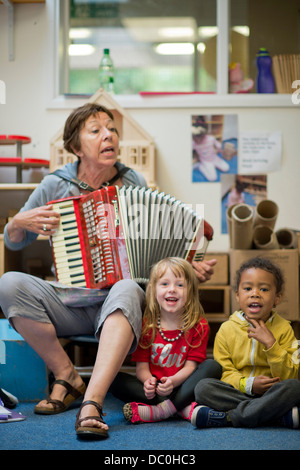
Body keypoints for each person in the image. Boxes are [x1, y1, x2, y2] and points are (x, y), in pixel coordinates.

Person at [0, 103, 216, 440]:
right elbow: (13, 243)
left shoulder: (133, 181)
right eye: (96, 129)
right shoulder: (55, 185)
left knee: (129, 286)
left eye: (112, 129)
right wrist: (17, 222)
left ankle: (92, 402)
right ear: (75, 146)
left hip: (121, 309)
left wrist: (187, 267)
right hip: (69, 302)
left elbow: (156, 246)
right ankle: (66, 375)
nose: (108, 135)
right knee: (9, 284)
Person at [191, 257, 300, 429]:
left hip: (272, 393)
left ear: (277, 298)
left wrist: (271, 345)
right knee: (203, 388)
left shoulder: (285, 329)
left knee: (295, 387)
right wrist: (249, 384)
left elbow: (290, 375)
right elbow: (225, 372)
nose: (255, 293)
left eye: (264, 289)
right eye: (248, 288)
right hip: (238, 393)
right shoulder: (226, 330)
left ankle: (227, 418)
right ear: (237, 295)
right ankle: (273, 417)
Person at [110, 257, 222, 424]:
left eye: (180, 285)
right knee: (114, 379)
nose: (172, 290)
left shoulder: (199, 325)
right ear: (153, 290)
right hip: (156, 390)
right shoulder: (146, 325)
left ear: (190, 291)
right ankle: (181, 408)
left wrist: (173, 382)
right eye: (164, 284)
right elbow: (141, 369)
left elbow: (191, 367)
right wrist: (148, 382)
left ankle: (161, 411)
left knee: (213, 367)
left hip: (182, 385)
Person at [192, 117, 229, 182]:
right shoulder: (194, 143)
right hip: (206, 161)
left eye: (199, 136)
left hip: (214, 158)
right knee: (212, 178)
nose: (197, 139)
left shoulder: (210, 138)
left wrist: (219, 150)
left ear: (204, 134)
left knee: (226, 168)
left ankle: (213, 166)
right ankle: (200, 166)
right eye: (195, 137)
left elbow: (219, 146)